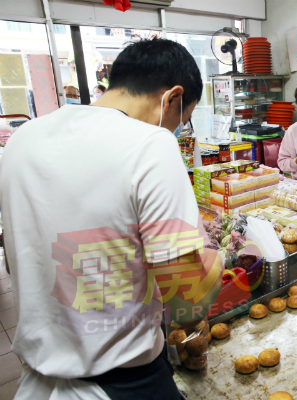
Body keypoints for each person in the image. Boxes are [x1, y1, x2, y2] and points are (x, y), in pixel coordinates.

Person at [0, 38, 210, 399]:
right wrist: (208, 284)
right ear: (172, 97)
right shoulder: (151, 145)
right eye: (183, 120)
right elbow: (185, 299)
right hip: (124, 383)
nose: (177, 130)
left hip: (37, 382)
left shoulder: (22, 140)